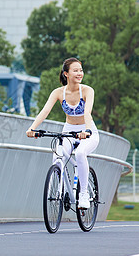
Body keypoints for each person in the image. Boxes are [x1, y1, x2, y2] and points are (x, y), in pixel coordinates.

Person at [26, 57, 99, 209]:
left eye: (81, 70)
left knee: (80, 154)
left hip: (88, 131)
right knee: (58, 156)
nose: (80, 73)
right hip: (68, 131)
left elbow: (88, 112)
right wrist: (32, 128)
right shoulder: (58, 92)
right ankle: (61, 189)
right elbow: (45, 111)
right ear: (66, 73)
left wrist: (86, 130)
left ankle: (83, 194)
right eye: (75, 70)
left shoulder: (87, 91)